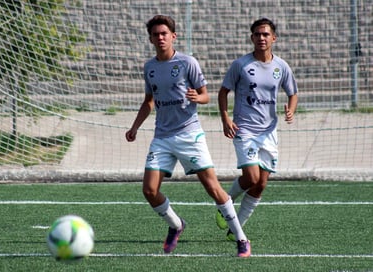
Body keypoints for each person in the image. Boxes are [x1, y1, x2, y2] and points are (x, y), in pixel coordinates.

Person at [126, 15, 251, 257]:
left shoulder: (187, 63)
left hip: (189, 134)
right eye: (155, 34)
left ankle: (241, 238)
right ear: (150, 38)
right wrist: (135, 127)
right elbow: (148, 101)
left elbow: (205, 95)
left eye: (164, 33)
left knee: (213, 187)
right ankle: (176, 225)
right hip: (162, 137)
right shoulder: (149, 67)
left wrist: (198, 98)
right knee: (149, 191)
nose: (160, 38)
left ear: (174, 36)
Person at [215, 18, 298, 241]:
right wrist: (225, 119)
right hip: (245, 130)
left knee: (261, 185)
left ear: (274, 38)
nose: (261, 38)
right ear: (252, 38)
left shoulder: (281, 66)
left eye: (266, 34)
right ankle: (226, 202)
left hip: (269, 131)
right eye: (257, 34)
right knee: (251, 178)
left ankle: (236, 228)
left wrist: (290, 110)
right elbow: (223, 92)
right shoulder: (241, 65)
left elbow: (293, 93)